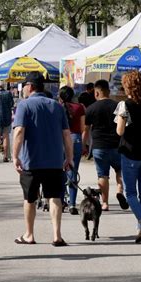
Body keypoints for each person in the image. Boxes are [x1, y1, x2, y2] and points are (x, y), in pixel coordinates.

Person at [12, 73, 74, 246]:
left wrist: (15, 156)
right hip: (54, 161)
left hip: (30, 162)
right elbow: (66, 135)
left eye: (23, 86)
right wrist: (69, 157)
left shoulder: (24, 105)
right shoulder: (57, 106)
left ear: (30, 86)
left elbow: (18, 132)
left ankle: (29, 234)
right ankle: (57, 235)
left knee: (29, 198)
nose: (22, 89)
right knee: (55, 197)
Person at [114, 71, 141, 243]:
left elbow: (120, 131)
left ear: (128, 86)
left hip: (130, 152)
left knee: (130, 193)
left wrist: (121, 119)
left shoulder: (125, 105)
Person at [83, 79, 128, 211]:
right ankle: (120, 191)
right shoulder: (117, 106)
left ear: (96, 93)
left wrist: (84, 146)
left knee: (102, 175)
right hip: (117, 145)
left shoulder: (91, 108)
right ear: (108, 91)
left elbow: (85, 131)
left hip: (99, 147)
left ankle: (105, 203)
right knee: (120, 170)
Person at [58, 86, 85, 215]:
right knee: (73, 172)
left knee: (61, 172)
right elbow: (82, 127)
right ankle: (73, 204)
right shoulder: (79, 107)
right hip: (76, 140)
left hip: (61, 140)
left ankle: (61, 201)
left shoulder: (57, 107)